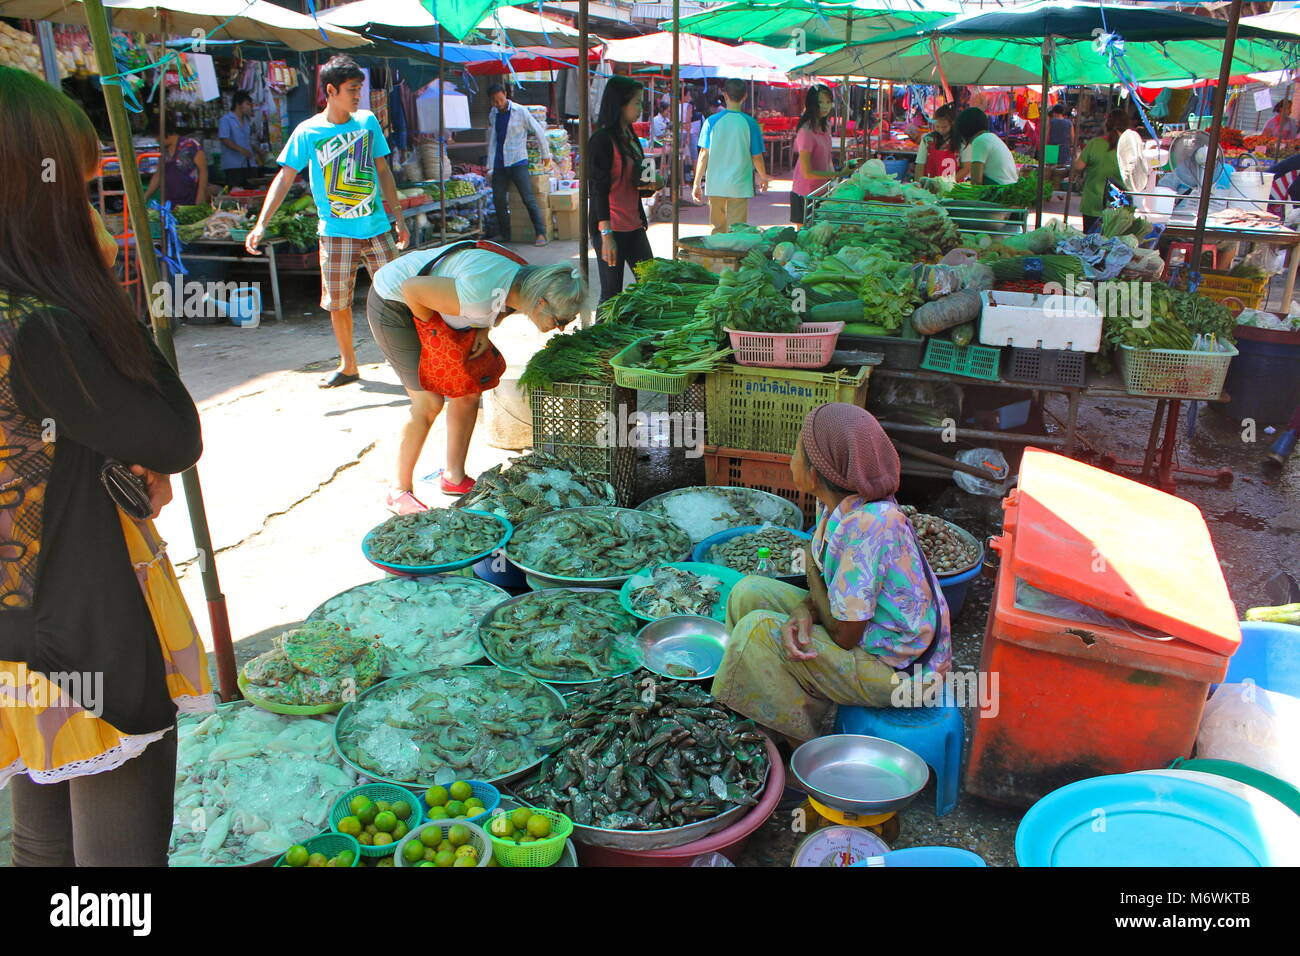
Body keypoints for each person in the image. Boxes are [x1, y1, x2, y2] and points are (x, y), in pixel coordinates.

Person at [0, 67, 210, 866]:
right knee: (119, 858)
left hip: (17, 632)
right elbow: (172, 436)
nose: (87, 211)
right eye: (76, 191)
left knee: (39, 827)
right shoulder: (41, 326)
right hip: (78, 631)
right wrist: (99, 290)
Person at [712, 404, 952, 743]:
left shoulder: (868, 527)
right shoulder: (839, 505)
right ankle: (771, 712)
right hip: (868, 636)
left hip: (905, 675)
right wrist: (803, 609)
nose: (789, 458)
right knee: (748, 592)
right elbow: (835, 593)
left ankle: (799, 749)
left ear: (814, 474)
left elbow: (844, 636)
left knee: (758, 630)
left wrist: (810, 567)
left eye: (796, 452)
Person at [366, 243, 587, 510]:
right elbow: (412, 289)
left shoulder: (524, 284)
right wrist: (436, 336)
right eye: (561, 319)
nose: (562, 327)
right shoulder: (477, 295)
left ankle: (453, 477)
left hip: (440, 300)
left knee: (469, 389)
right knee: (429, 403)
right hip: (396, 302)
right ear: (541, 302)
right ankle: (398, 489)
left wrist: (483, 328)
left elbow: (501, 305)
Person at [246, 55, 408, 388]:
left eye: (359, 89)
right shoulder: (308, 131)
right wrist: (262, 222)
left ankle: (406, 360)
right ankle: (349, 365)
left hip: (377, 227)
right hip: (335, 232)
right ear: (330, 91)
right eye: (351, 90)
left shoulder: (367, 122)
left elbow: (383, 170)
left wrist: (400, 217)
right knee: (339, 302)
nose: (357, 96)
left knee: (397, 297)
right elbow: (285, 177)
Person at [589, 76, 656, 302]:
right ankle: (598, 338)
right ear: (620, 104)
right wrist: (606, 235)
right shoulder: (601, 140)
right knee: (611, 294)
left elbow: (638, 185)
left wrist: (653, 184)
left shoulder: (631, 137)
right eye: (636, 102)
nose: (640, 108)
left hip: (634, 225)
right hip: (611, 229)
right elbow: (598, 189)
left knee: (651, 284)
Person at [693, 77, 769, 234]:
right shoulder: (750, 123)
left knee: (717, 230)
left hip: (715, 184)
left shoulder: (711, 121)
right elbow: (757, 157)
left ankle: (716, 258)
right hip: (739, 185)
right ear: (745, 96)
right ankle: (731, 259)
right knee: (737, 231)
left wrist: (696, 182)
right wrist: (763, 177)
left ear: (725, 95)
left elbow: (703, 154)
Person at [485, 83, 552, 247]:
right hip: (499, 163)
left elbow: (538, 131)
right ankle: (505, 234)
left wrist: (545, 155)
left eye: (500, 100)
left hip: (518, 160)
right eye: (494, 101)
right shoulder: (493, 114)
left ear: (506, 94)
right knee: (498, 200)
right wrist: (489, 166)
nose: (498, 104)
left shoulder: (520, 111)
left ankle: (541, 233)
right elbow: (493, 140)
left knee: (528, 198)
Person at [1074, 108, 1131, 234]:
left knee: (1090, 245)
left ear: (1107, 124)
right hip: (1119, 204)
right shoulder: (1130, 148)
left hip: (1093, 203)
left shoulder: (1096, 143)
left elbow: (1078, 166)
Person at [790, 84, 835, 226]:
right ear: (811, 103)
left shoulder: (826, 126)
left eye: (828, 102)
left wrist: (834, 183)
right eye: (820, 102)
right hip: (805, 193)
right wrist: (839, 174)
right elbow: (807, 172)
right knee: (804, 236)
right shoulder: (806, 131)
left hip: (822, 191)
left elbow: (828, 160)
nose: (825, 106)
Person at [142, 129, 208, 207]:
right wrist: (145, 197)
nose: (157, 139)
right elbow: (158, 176)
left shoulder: (191, 145)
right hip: (170, 202)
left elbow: (203, 171)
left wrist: (201, 196)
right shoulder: (164, 150)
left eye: (157, 136)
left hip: (190, 199)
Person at [955, 107, 1019, 186]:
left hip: (998, 191)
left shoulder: (979, 141)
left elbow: (976, 182)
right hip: (1008, 188)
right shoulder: (991, 137)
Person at [218, 90, 265, 188]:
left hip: (249, 163)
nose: (249, 107)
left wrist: (258, 151)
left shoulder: (247, 121)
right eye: (247, 104)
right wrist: (241, 150)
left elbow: (248, 140)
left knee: (252, 190)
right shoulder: (226, 120)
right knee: (236, 191)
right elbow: (224, 139)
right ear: (238, 104)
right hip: (233, 164)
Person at [914, 103, 958, 180]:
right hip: (930, 185)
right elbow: (920, 164)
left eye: (944, 127)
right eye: (937, 126)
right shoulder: (927, 140)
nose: (940, 130)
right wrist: (918, 183)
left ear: (952, 124)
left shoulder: (960, 141)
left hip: (954, 187)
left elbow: (966, 167)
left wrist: (946, 183)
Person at [1046, 103, 1076, 169]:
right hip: (1065, 148)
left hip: (1052, 147)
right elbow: (1072, 137)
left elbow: (1046, 135)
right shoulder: (1069, 122)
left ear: (1054, 112)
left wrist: (1045, 145)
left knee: (1049, 169)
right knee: (1063, 169)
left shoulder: (1051, 122)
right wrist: (1072, 146)